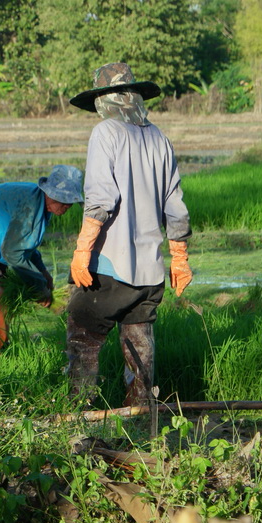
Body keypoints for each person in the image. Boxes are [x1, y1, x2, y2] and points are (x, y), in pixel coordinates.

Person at [65, 63, 192, 406]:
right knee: (139, 342)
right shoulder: (159, 138)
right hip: (150, 272)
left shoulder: (106, 132)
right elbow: (175, 205)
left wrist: (82, 251)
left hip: (111, 265)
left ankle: (78, 413)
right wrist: (179, 258)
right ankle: (140, 412)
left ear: (105, 100)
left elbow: (100, 199)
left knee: (82, 336)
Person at [0, 165, 84, 351]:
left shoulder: (43, 205)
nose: (68, 206)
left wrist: (43, 271)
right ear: (51, 194)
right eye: (64, 201)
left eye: (71, 202)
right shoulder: (30, 205)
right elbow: (12, 252)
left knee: (0, 298)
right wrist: (39, 286)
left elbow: (25, 245)